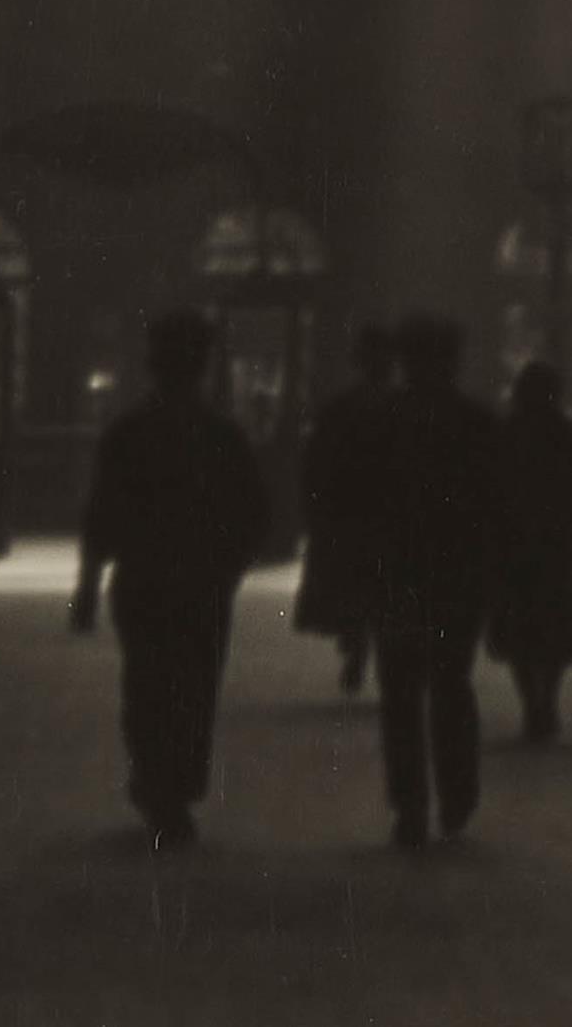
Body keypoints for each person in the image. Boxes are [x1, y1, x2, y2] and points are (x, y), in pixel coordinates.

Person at [70, 307, 269, 850]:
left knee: (147, 683)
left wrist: (88, 584)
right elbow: (253, 516)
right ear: (202, 367)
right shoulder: (223, 437)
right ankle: (177, 785)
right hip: (202, 584)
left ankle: (155, 779)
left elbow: (101, 514)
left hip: (142, 581)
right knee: (195, 686)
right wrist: (229, 568)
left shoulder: (127, 433)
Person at [367, 311, 502, 847]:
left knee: (400, 693)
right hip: (457, 575)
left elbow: (359, 504)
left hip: (397, 571)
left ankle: (410, 804)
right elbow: (498, 506)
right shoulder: (477, 423)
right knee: (451, 684)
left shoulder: (383, 422)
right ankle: (457, 796)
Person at [487, 359, 572, 743]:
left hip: (514, 545)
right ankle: (548, 696)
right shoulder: (569, 436)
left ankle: (530, 703)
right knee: (555, 628)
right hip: (557, 546)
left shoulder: (506, 434)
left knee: (519, 630)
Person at [293, 325, 395, 692]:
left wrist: (316, 511)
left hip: (349, 513)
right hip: (388, 515)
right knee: (384, 589)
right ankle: (375, 648)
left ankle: (356, 642)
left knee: (354, 585)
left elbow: (317, 465)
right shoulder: (403, 410)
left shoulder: (340, 409)